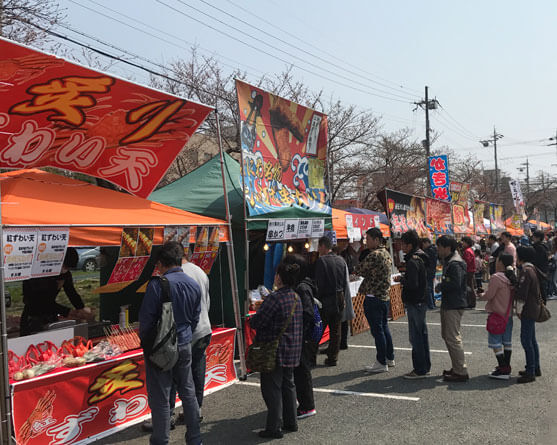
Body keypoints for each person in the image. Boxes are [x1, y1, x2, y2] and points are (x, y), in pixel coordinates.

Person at [139, 242, 202, 445]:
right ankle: (195, 439)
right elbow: (195, 317)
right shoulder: (193, 284)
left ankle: (161, 440)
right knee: (188, 392)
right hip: (184, 343)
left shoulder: (158, 285)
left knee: (161, 398)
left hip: (161, 349)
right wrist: (184, 334)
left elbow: (146, 322)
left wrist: (148, 346)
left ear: (160, 263)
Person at [250, 258, 303, 439]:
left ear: (279, 277)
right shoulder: (296, 297)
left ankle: (274, 427)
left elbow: (258, 322)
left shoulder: (275, 298)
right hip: (292, 349)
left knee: (272, 389)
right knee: (288, 385)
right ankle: (291, 421)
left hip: (275, 350)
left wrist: (253, 318)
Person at [20, 247, 94, 336]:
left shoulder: (65, 274)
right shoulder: (39, 273)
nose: (65, 270)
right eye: (65, 266)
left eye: (68, 268)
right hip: (32, 316)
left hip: (51, 316)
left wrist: (80, 308)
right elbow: (40, 301)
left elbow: (71, 292)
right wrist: (68, 312)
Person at [354, 228, 394, 374]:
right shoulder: (386, 253)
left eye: (368, 239)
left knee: (378, 331)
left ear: (377, 240)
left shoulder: (375, 255)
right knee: (384, 328)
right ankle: (389, 357)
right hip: (384, 296)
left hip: (374, 297)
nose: (366, 242)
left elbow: (359, 270)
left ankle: (381, 362)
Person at [284, 254, 318, 420]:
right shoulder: (302, 285)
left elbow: (308, 313)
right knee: (300, 371)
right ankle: (302, 402)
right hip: (302, 337)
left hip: (303, 337)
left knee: (302, 372)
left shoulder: (302, 287)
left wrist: (300, 333)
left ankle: (307, 406)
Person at [477, 253, 517, 379]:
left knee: (495, 342)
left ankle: (503, 368)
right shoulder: (512, 277)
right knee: (507, 341)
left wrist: (481, 295)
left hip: (497, 315)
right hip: (508, 315)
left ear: (500, 263)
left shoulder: (496, 277)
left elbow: (489, 295)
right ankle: (506, 367)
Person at [397, 230, 431, 379]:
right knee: (422, 334)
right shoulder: (422, 257)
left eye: (403, 244)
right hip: (421, 300)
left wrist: (402, 280)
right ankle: (424, 366)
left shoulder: (413, 261)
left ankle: (419, 369)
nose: (401, 247)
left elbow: (413, 284)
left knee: (416, 336)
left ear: (410, 245)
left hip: (415, 301)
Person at [435, 236, 469, 382]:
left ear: (447, 247)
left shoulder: (455, 263)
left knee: (453, 338)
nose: (438, 250)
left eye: (439, 247)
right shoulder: (450, 261)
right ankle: (456, 367)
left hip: (454, 304)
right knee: (448, 336)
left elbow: (455, 283)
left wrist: (441, 285)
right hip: (450, 303)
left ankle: (460, 371)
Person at [314, 236, 352, 366]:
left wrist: (316, 298)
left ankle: (311, 357)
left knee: (318, 328)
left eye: (319, 247)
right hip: (340, 297)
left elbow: (319, 283)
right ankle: (333, 358)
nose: (318, 249)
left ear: (323, 246)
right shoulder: (341, 260)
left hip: (326, 299)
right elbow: (345, 282)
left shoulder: (321, 261)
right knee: (336, 330)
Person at [515, 246, 543, 384]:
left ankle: (530, 371)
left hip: (528, 309)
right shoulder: (532, 269)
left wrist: (518, 310)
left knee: (526, 340)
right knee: (532, 340)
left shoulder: (526, 271)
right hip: (534, 307)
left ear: (521, 257)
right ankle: (535, 367)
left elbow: (522, 294)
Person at [419, 238, 438, 309]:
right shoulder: (434, 249)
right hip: (432, 270)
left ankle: (430, 305)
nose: (422, 246)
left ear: (426, 242)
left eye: (423, 244)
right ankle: (432, 303)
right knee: (430, 288)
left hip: (428, 271)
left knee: (428, 288)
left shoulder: (429, 251)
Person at [531, 230, 549, 303]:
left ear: (538, 238)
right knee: (542, 290)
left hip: (538, 271)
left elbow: (537, 260)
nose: (532, 238)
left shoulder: (538, 247)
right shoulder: (544, 246)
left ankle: (541, 309)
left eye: (534, 236)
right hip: (543, 271)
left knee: (540, 291)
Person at [461, 236, 477, 308]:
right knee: (470, 286)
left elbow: (466, 262)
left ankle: (471, 302)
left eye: (463, 242)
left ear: (467, 243)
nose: (462, 243)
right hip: (471, 270)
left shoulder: (467, 251)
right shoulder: (469, 250)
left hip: (468, 270)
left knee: (469, 287)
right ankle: (470, 302)